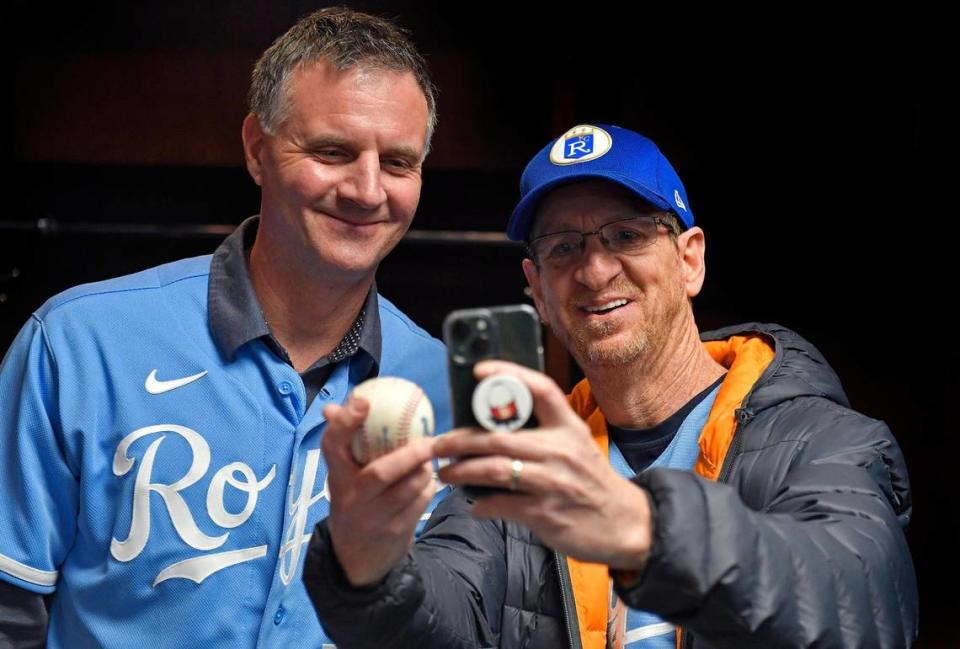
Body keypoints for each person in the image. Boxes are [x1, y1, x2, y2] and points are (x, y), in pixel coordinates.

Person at [304, 123, 919, 648]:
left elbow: (862, 601)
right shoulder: (526, 462)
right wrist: (368, 565)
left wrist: (640, 528)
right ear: (537, 289)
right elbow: (444, 617)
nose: (595, 270)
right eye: (563, 246)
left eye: (626, 235)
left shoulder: (823, 439)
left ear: (689, 259)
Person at [0, 7, 450, 648]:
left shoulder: (445, 387)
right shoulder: (78, 346)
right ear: (256, 150)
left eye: (399, 163)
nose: (367, 189)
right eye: (332, 152)